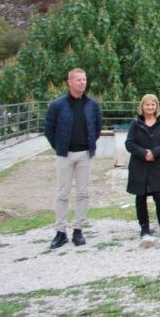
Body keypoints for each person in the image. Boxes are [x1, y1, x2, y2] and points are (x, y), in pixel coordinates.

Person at [44, 68, 102, 249]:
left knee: (83, 193)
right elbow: (49, 128)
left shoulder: (92, 104)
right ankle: (60, 231)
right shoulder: (58, 105)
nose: (82, 83)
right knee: (63, 193)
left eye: (84, 80)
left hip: (85, 154)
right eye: (78, 80)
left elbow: (97, 127)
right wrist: (59, 146)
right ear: (69, 82)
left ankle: (78, 229)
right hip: (65, 155)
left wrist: (89, 144)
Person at [125, 94, 160, 238]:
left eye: (153, 104)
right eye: (147, 104)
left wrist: (154, 152)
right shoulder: (135, 123)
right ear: (142, 106)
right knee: (140, 197)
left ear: (156, 106)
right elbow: (129, 143)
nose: (150, 107)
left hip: (158, 164)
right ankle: (144, 227)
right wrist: (143, 153)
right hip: (139, 164)